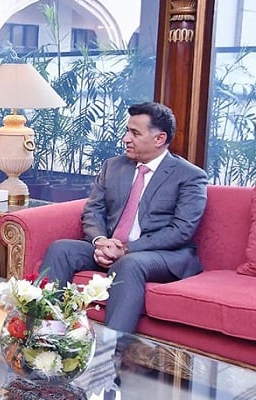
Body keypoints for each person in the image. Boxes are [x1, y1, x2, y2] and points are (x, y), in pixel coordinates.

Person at [39, 102, 208, 334]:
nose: (126, 138)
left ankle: (111, 354)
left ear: (159, 139)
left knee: (128, 263)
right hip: (112, 246)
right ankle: (45, 333)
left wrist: (126, 249)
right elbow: (93, 210)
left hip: (161, 255)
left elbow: (181, 231)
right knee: (61, 249)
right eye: (127, 130)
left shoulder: (190, 176)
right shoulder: (113, 166)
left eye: (135, 133)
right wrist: (100, 241)